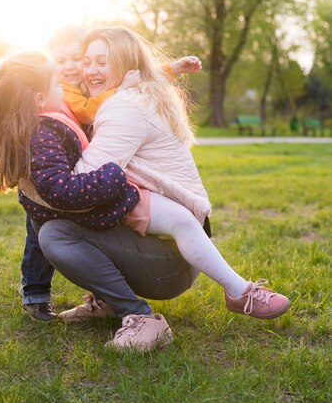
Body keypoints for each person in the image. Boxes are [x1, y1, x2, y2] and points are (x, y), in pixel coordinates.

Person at [31, 26, 290, 350]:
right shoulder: (143, 94)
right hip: (176, 248)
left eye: (101, 61)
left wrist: (40, 170)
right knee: (94, 205)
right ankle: (107, 301)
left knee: (54, 230)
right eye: (88, 61)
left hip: (167, 262)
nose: (89, 70)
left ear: (126, 64)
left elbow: (83, 180)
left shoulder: (123, 106)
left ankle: (149, 316)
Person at [19, 25, 204, 320]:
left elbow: (134, 70)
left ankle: (109, 302)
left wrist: (170, 69)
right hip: (77, 177)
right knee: (42, 218)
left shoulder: (114, 100)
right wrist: (121, 89)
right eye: (60, 61)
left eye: (78, 59)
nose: (71, 67)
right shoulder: (67, 93)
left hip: (167, 247)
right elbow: (89, 109)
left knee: (56, 219)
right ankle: (36, 289)